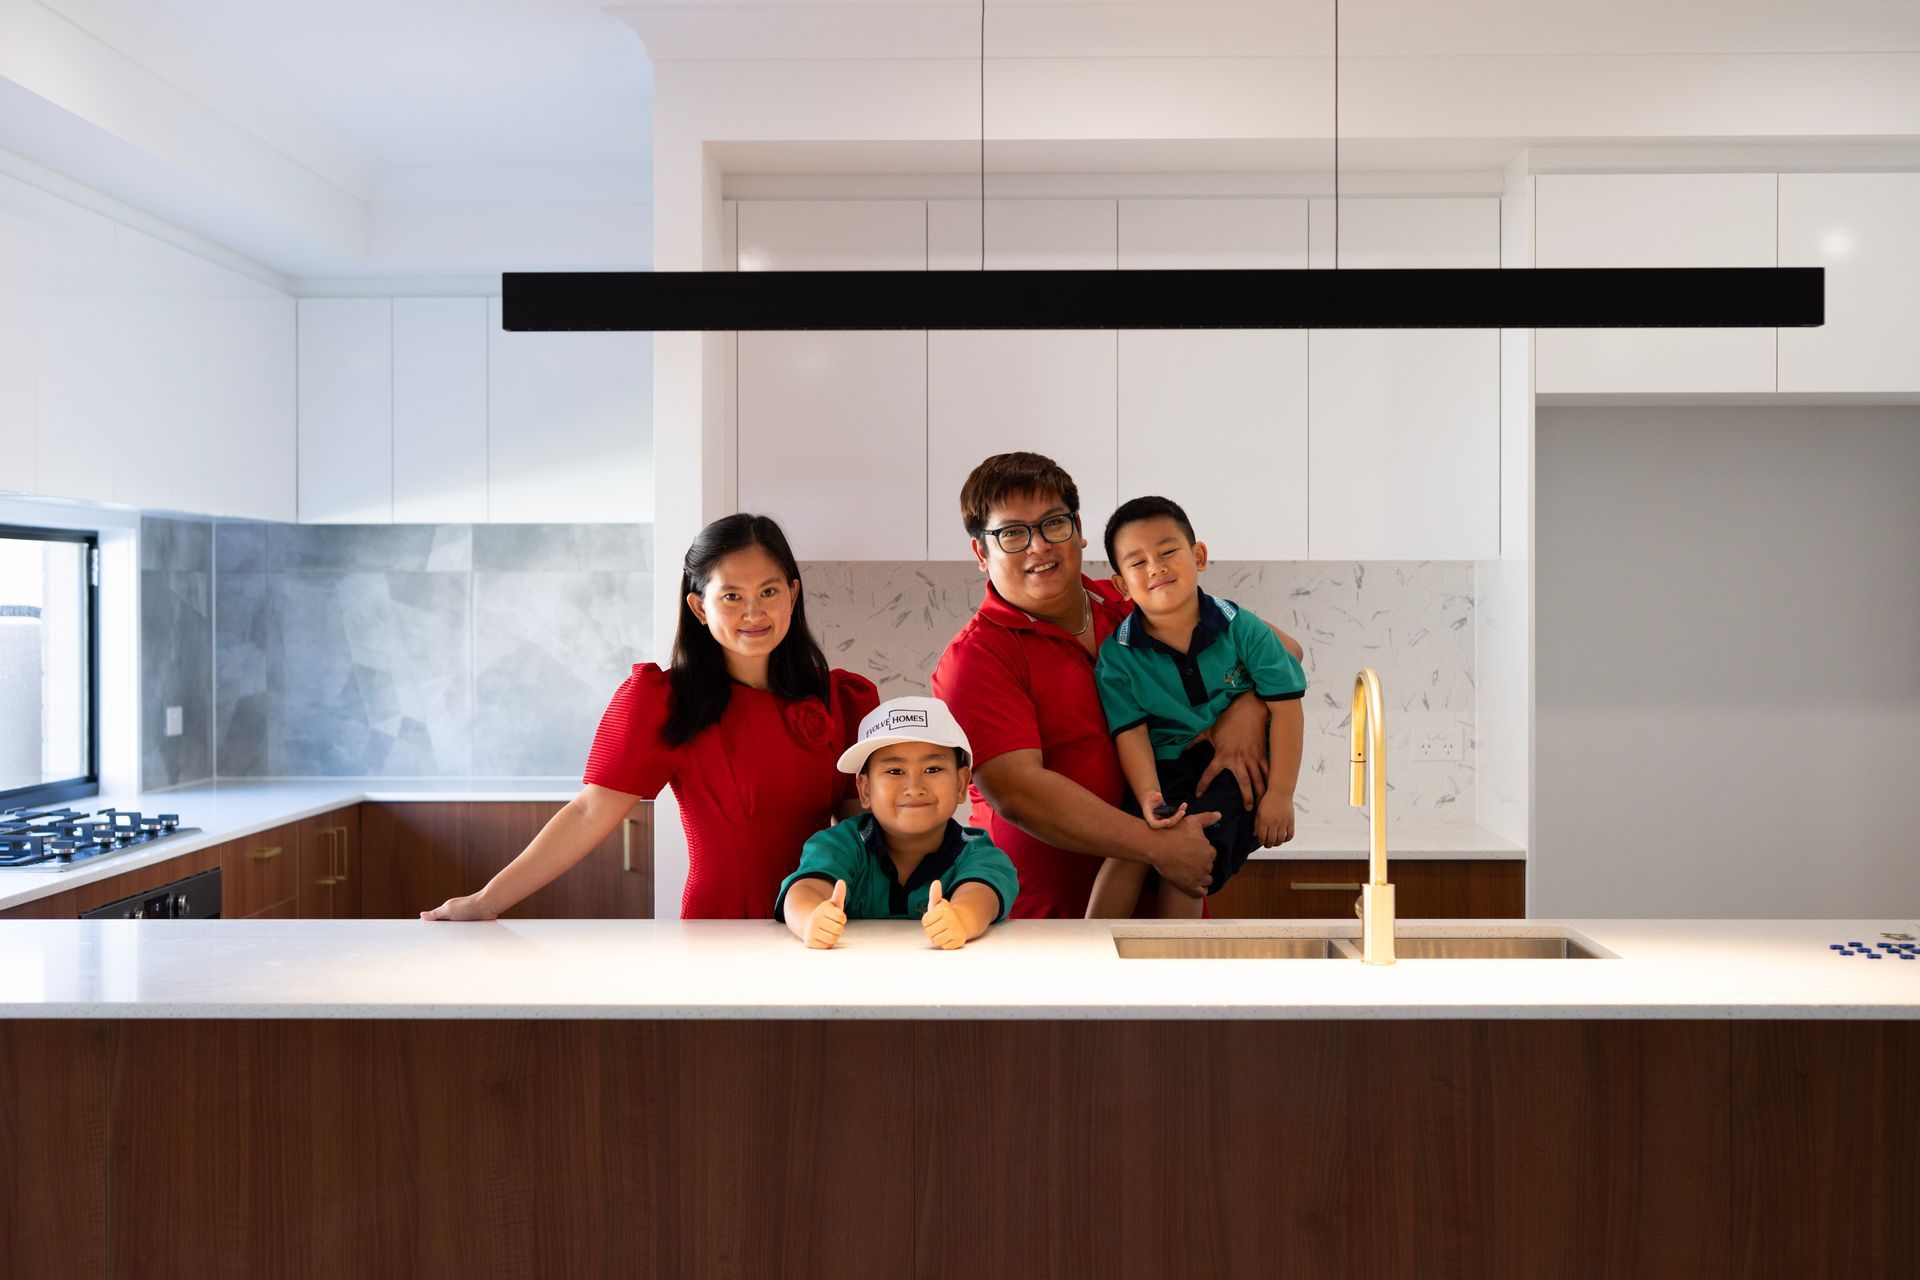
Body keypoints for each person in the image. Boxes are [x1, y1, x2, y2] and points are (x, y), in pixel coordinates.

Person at [420, 513, 878, 922]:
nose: (754, 612)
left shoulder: (840, 698)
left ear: (793, 595)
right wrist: (486, 902)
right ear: (699, 607)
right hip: (721, 928)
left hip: (826, 925)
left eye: (769, 591)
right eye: (732, 596)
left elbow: (867, 833)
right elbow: (588, 813)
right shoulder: (666, 701)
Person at [930, 452, 1304, 918]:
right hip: (1050, 925)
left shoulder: (1133, 599)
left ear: (1079, 528)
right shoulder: (977, 656)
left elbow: (1285, 650)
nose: (1039, 547)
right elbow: (1020, 793)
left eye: (1053, 524)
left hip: (1168, 898)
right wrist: (1156, 844)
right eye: (1012, 534)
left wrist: (1246, 710)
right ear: (982, 553)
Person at [1087, 496, 1305, 919]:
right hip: (1164, 770)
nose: (1156, 567)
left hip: (1228, 772)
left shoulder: (1242, 627)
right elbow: (1130, 735)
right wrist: (1150, 796)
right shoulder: (1117, 657)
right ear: (1120, 585)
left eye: (1168, 551)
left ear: (1198, 556)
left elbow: (1287, 709)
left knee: (1190, 858)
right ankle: (1090, 957)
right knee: (1127, 848)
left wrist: (1281, 795)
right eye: (1138, 562)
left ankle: (1176, 974)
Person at [776, 696, 1018, 950]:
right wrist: (809, 920)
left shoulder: (978, 851)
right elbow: (804, 889)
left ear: (960, 784)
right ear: (865, 789)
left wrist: (962, 918)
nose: (914, 788)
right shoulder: (840, 844)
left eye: (932, 769)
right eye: (895, 772)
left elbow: (981, 894)